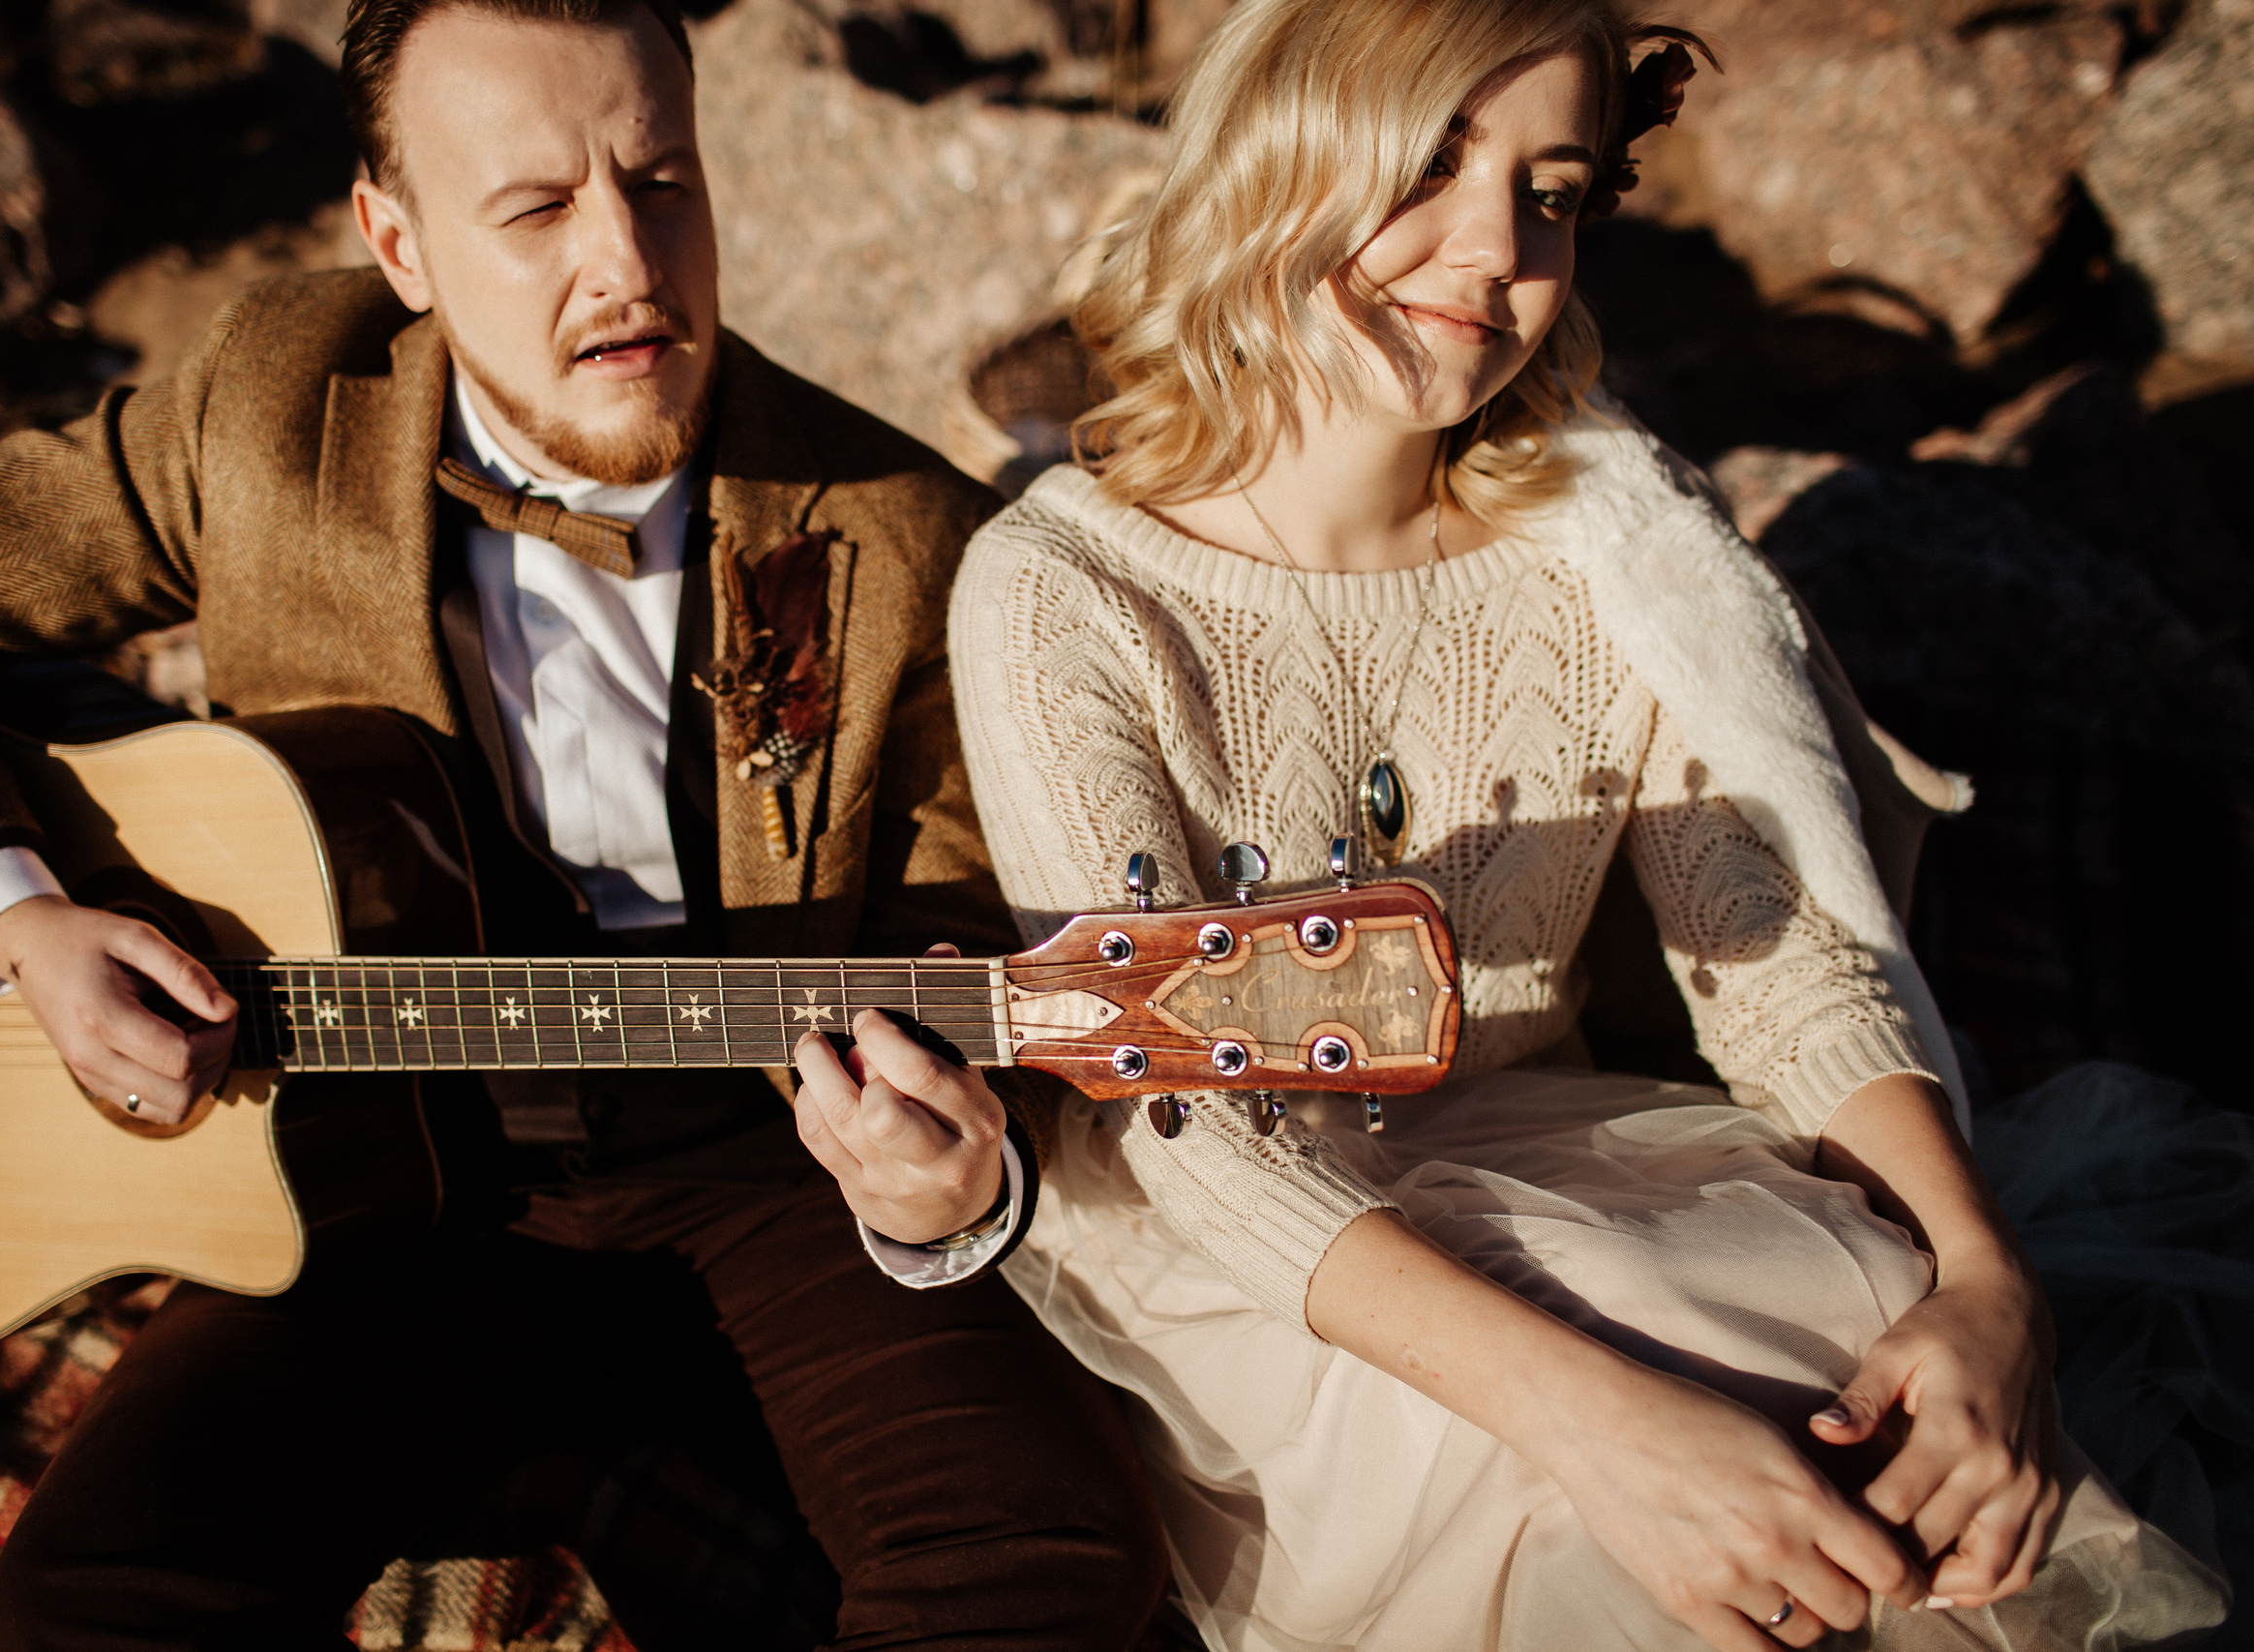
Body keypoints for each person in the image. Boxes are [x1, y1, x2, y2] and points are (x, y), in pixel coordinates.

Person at [0, 0, 1170, 1643]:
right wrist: (7, 921)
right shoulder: (267, 398)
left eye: (661, 181)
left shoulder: (907, 530)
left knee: (1041, 1579)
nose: (629, 262)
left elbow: (967, 933)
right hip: (362, 1175)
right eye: (535, 208)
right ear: (399, 240)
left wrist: (944, 1184)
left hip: (777, 1164)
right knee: (99, 1601)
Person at [941, 1, 2229, 1648]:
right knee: (1638, 1442)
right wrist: (1603, 1421)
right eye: (1429, 164)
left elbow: (1780, 961)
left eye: (1551, 192)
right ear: (1274, 159)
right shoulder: (1064, 592)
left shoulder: (1613, 526)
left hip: (1568, 1146)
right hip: (1263, 1244)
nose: (1494, 250)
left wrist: (1988, 1282)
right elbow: (1198, 1138)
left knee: (1874, 1333)